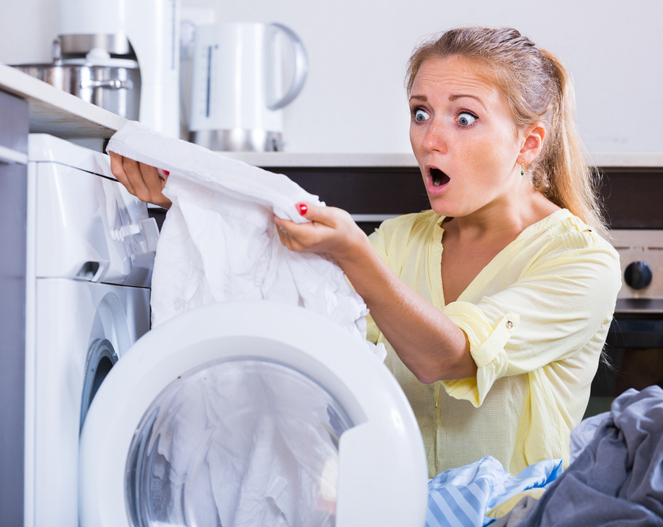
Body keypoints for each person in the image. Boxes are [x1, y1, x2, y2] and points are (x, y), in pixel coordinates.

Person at [111, 26, 622, 478]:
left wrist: (354, 253)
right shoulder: (401, 241)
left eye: (464, 118)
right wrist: (198, 199)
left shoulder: (582, 263)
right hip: (392, 511)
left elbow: (446, 358)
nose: (430, 140)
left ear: (528, 144)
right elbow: (290, 303)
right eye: (421, 113)